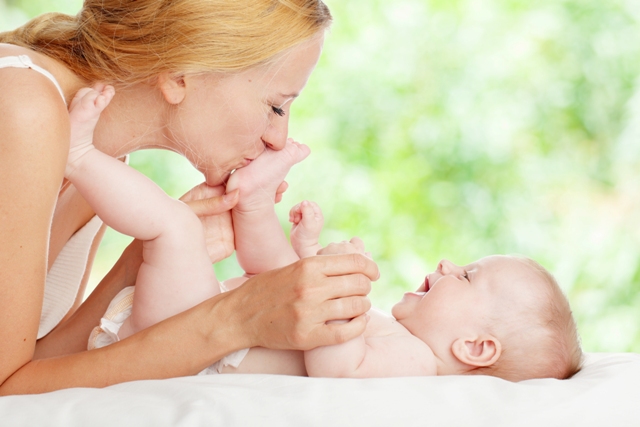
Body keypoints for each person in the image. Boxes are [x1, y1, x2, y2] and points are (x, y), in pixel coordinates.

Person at [72, 87, 582, 381]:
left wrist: (343, 301)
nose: (449, 265)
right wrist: (312, 260)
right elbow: (288, 306)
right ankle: (252, 204)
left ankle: (78, 158)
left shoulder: (418, 366)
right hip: (206, 324)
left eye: (468, 277)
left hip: (181, 343)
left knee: (174, 228)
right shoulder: (400, 335)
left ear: (475, 348)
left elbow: (338, 370)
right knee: (278, 276)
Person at [0, 0, 379, 395]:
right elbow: (7, 392)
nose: (278, 139)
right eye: (276, 106)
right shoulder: (24, 106)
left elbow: (39, 370)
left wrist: (142, 262)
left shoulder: (98, 158)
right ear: (181, 74)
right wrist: (233, 319)